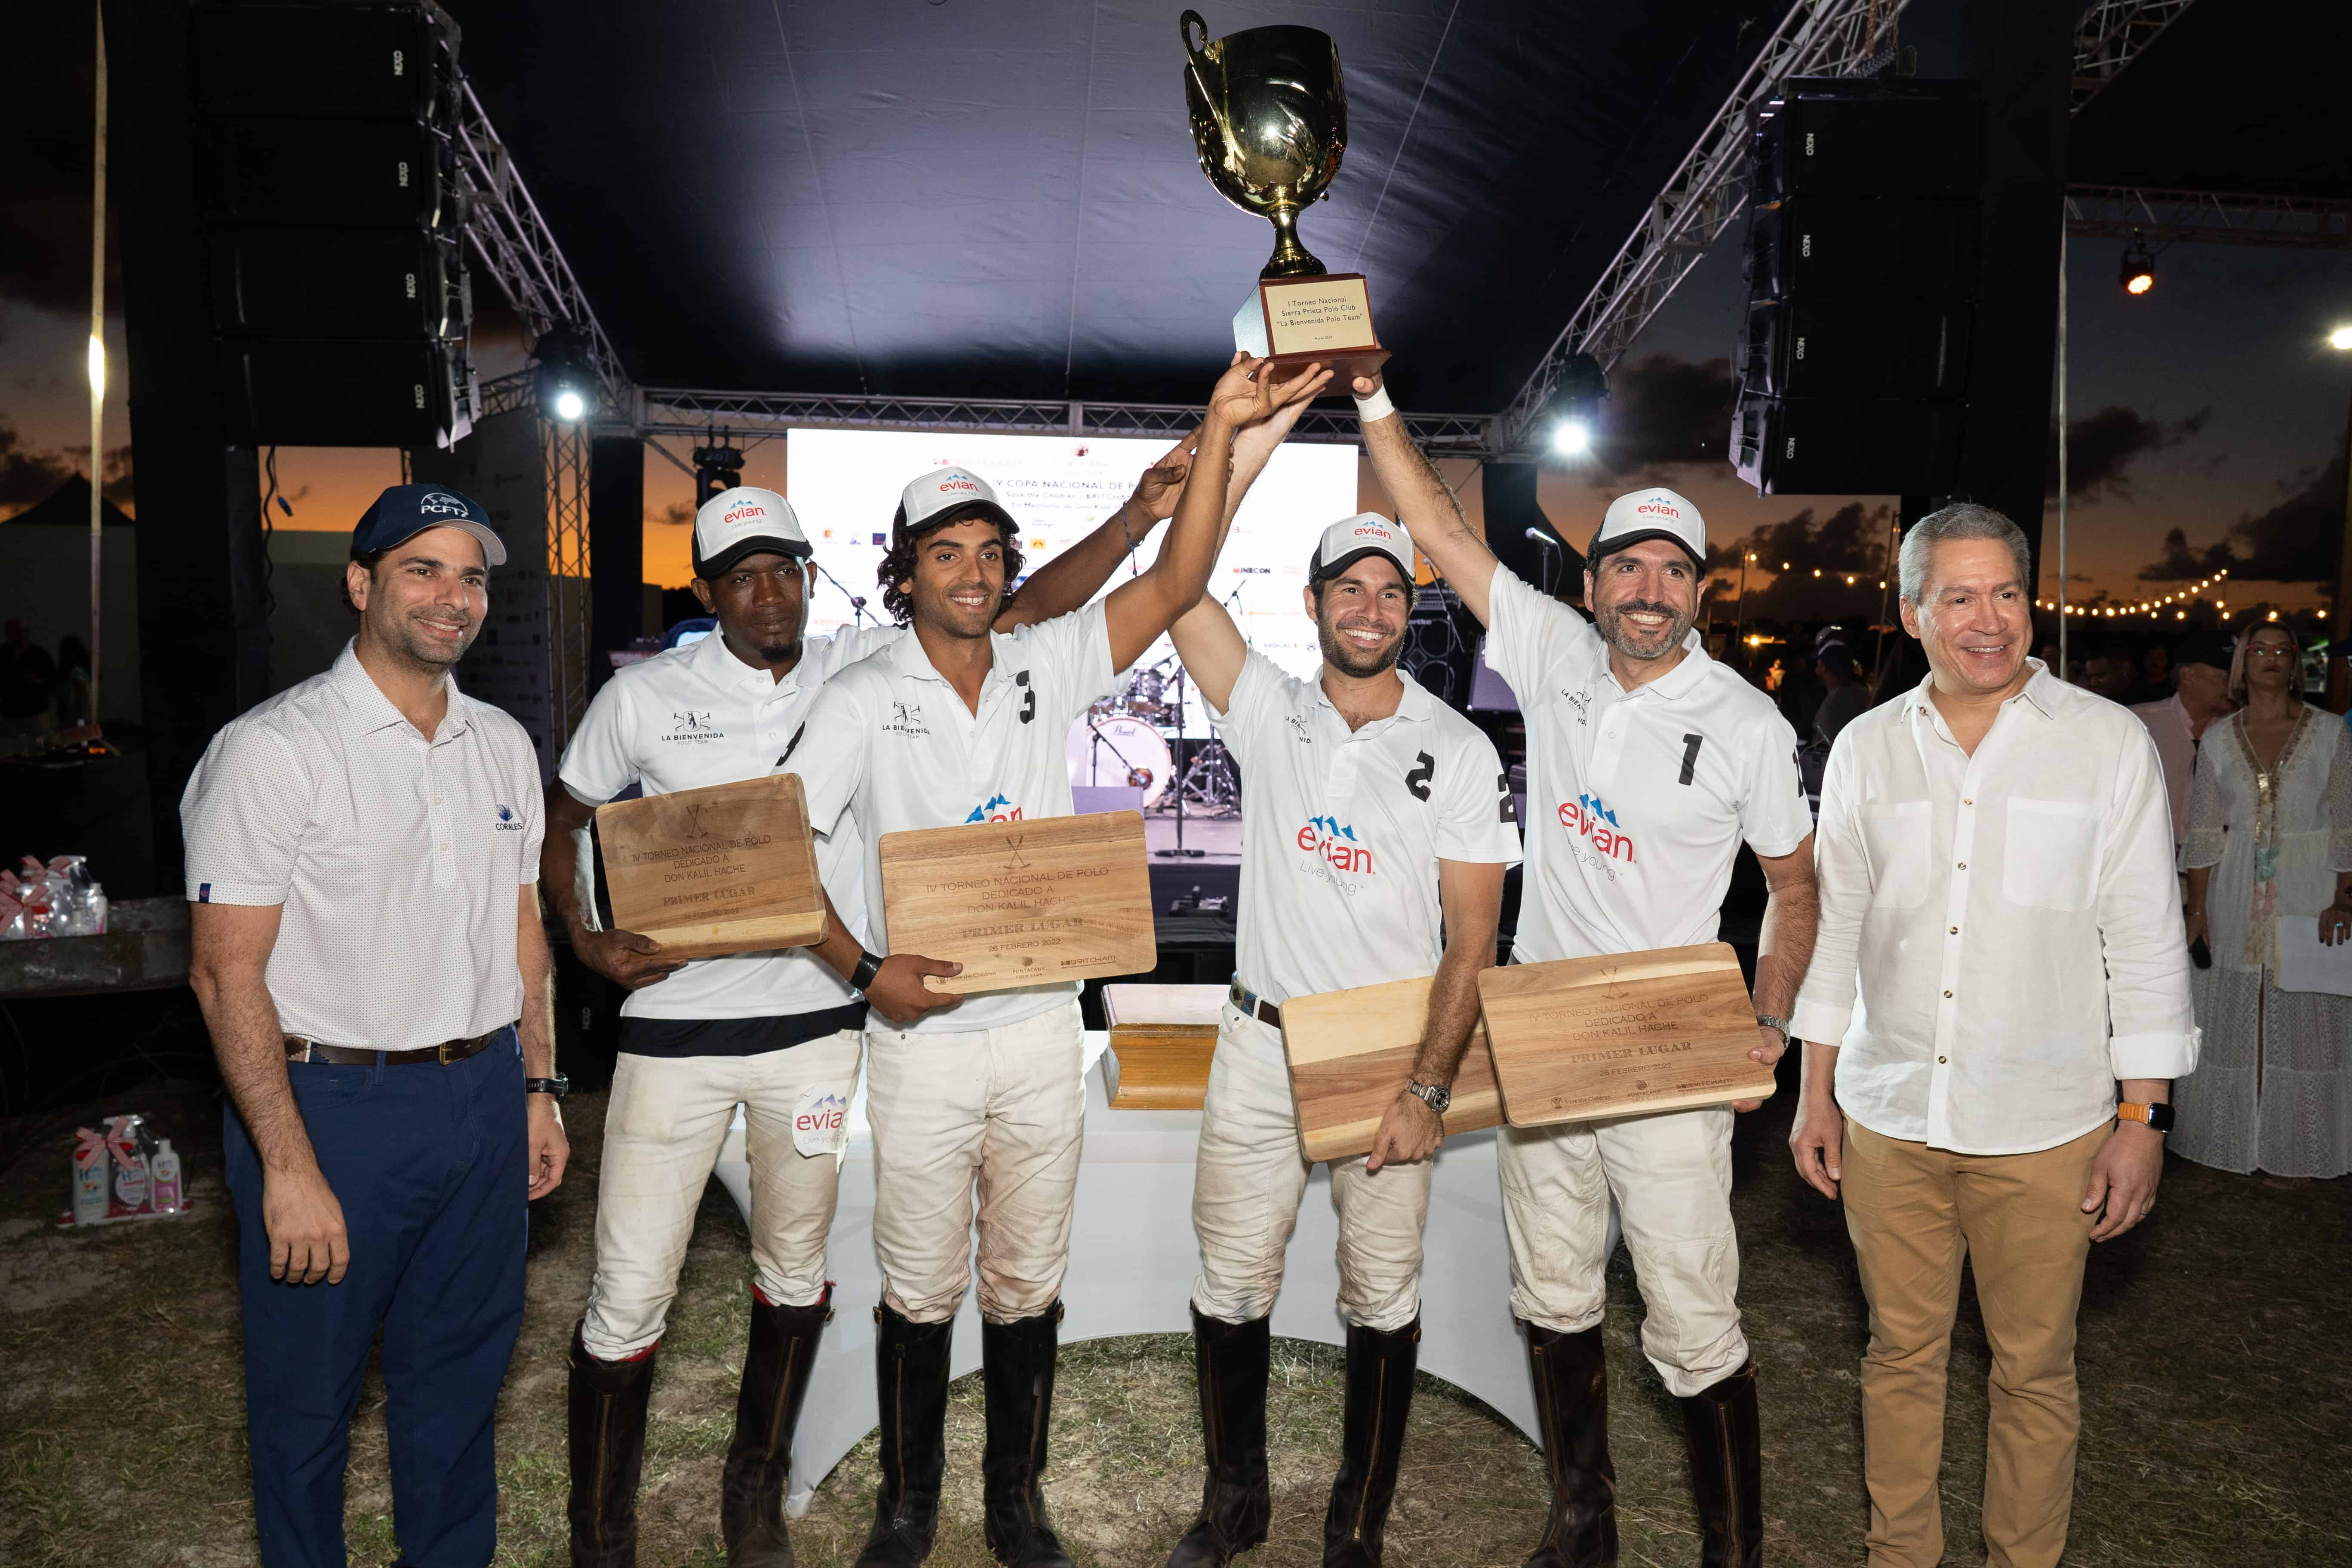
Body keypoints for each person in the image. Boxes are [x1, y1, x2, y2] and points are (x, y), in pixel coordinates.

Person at [544, 441, 1212, 1565]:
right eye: (741, 573)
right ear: (705, 588)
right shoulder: (694, 690)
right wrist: (592, 941)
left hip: (859, 1037)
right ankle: (663, 1531)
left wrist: (1139, 510)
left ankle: (958, 1501)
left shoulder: (907, 653)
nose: (769, 591)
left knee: (882, 1274)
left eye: (786, 569)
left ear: (819, 576)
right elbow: (598, 821)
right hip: (722, 1030)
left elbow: (1043, 601)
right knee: (667, 1284)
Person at [783, 353, 1324, 1568]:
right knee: (919, 1287)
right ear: (904, 570)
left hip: (1038, 1032)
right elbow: (783, 855)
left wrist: (1219, 425)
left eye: (988, 551)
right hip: (919, 1041)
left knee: (1025, 1282)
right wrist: (866, 970)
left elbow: (1180, 574)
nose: (970, 573)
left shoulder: (1047, 660)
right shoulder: (866, 693)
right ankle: (907, 1509)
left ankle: (1013, 1503)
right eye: (944, 552)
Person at [1352, 365, 1819, 1568]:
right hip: (1547, 1028)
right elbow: (1439, 529)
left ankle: (1732, 1550)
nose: (1647, 589)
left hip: (1669, 1043)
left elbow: (1797, 887)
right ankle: (1582, 1515)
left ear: (1699, 591)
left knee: (1691, 1313)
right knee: (1551, 1286)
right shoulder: (1551, 651)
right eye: (1626, 566)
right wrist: (1368, 400)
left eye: (1671, 570)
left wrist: (1767, 1026)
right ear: (1591, 580)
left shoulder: (1746, 721)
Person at [1787, 503, 2197, 1568]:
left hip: (2049, 1123)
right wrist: (1813, 1090)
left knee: (2034, 1368)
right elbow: (1835, 932)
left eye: (2007, 592)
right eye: (1960, 596)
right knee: (1899, 1353)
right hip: (1889, 1117)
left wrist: (2142, 1118)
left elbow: (2147, 945)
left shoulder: (2107, 745)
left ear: (2031, 600)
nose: (1988, 619)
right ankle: (1901, 1553)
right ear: (1913, 611)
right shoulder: (1867, 747)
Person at [181, 484, 567, 1568]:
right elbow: (224, 975)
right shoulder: (274, 749)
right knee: (307, 1403)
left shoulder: (500, 743)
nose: (453, 598)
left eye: (473, 576)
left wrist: (537, 1086)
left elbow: (521, 931)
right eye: (422, 569)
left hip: (483, 1096)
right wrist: (287, 1166)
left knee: (457, 1386)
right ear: (360, 583)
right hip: (334, 1109)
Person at [1160, 510, 1519, 1568]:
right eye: (1347, 589)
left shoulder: (1454, 747)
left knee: (1380, 1286)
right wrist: (1240, 441)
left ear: (1412, 611)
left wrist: (1429, 1087)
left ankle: (1356, 1518)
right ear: (1311, 602)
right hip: (1261, 1041)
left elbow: (1473, 942)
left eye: (1391, 592)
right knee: (1230, 1279)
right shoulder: (1267, 708)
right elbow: (1177, 594)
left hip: (1386, 1052)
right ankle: (1236, 1502)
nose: (1370, 609)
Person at [2176, 623, 2352, 1179]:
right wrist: (2197, 909)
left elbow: (2347, 821)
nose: (2271, 659)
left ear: (2296, 662)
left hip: (2309, 887)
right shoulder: (2219, 737)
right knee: (2235, 1005)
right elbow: (2203, 830)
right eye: (2259, 649)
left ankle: (2296, 1142)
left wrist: (2344, 897)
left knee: (2308, 1014)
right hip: (2233, 889)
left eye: (2282, 650)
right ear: (2242, 663)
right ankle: (2233, 1135)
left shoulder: (2329, 733)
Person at [2131, 631, 2234, 852]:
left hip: (2215, 867)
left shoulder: (2237, 733)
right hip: (2150, 863)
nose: (2233, 686)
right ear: (2188, 676)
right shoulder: (2139, 725)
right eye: (2224, 677)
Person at [2124, 639, 2174, 705]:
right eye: (2150, 658)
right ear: (2144, 660)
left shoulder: (2174, 686)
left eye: (2159, 658)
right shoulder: (2134, 686)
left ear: (2166, 660)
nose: (2155, 662)